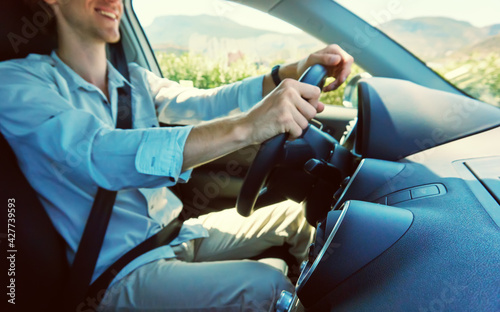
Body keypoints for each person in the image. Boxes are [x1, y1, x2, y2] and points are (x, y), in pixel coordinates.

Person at [0, 0, 353, 311]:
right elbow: (98, 152)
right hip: (120, 272)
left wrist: (290, 71)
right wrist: (246, 127)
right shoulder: (16, 83)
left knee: (299, 218)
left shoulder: (134, 80)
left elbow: (206, 102)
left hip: (175, 234)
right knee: (267, 287)